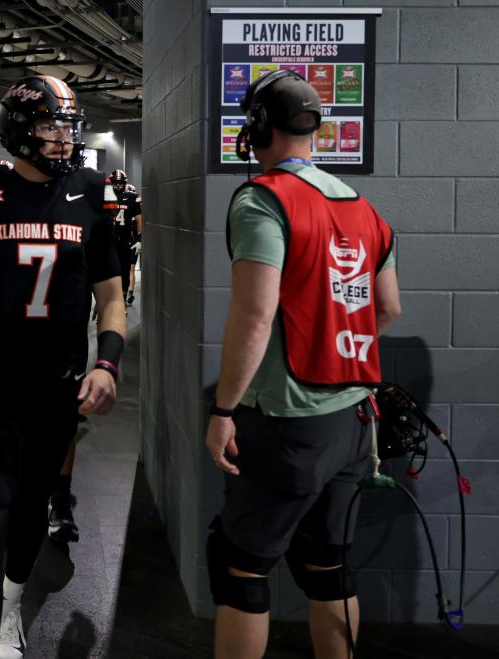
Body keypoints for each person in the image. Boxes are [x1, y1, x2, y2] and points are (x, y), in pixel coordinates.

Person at [0, 74, 126, 659]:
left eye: (67, 127)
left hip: (58, 386)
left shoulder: (92, 191)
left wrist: (108, 362)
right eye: (48, 126)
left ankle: (12, 601)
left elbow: (111, 296)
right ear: (18, 129)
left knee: (30, 515)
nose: (61, 139)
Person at [205, 70, 401, 659]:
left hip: (287, 426)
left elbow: (255, 316)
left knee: (239, 567)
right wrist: (329, 335)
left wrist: (223, 409)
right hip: (353, 423)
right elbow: (387, 308)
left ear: (260, 126)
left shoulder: (262, 199)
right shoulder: (363, 207)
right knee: (328, 567)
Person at [108, 170, 141, 306]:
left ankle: (121, 301)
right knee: (108, 271)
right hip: (108, 241)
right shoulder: (105, 196)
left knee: (126, 270)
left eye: (120, 183)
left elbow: (139, 219)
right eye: (115, 183)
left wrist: (139, 239)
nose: (118, 185)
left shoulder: (131, 197)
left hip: (126, 239)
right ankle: (109, 300)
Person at [124, 182, 142, 305]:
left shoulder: (122, 207)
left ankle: (126, 293)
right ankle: (129, 293)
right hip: (134, 240)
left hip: (127, 240)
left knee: (125, 268)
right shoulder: (137, 208)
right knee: (130, 269)